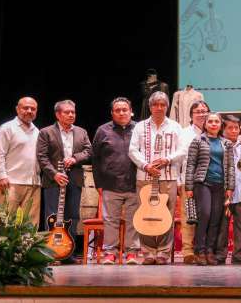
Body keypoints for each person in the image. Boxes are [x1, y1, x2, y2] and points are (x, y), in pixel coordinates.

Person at [128, 91, 185, 265]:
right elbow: (132, 150)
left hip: (168, 176)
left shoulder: (175, 126)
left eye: (162, 105)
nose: (159, 108)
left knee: (166, 215)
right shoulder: (140, 126)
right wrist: (146, 165)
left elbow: (182, 150)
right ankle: (147, 252)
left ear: (167, 107)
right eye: (155, 105)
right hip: (145, 176)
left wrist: (167, 159)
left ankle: (164, 252)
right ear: (150, 107)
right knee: (144, 213)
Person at [37, 99, 92, 262]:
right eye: (67, 112)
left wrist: (75, 158)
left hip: (74, 180)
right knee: (53, 217)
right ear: (58, 114)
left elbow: (89, 151)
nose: (70, 115)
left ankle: (69, 253)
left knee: (72, 217)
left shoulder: (81, 132)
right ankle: (51, 253)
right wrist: (54, 174)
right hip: (53, 181)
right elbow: (42, 157)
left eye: (73, 112)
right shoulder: (46, 132)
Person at [91, 97, 139, 265]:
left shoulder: (139, 129)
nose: (121, 113)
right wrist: (98, 184)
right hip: (110, 184)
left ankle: (131, 252)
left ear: (130, 111)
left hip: (135, 183)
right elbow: (95, 159)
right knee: (111, 220)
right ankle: (110, 252)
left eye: (124, 109)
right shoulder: (102, 131)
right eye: (117, 110)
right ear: (112, 113)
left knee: (134, 220)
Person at [185, 112, 235, 265]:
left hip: (220, 185)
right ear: (205, 124)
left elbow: (230, 167)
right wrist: (189, 186)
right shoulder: (198, 140)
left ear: (221, 125)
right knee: (205, 215)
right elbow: (191, 164)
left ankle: (209, 251)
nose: (213, 124)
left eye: (216, 122)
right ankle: (199, 250)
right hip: (203, 183)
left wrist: (230, 187)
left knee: (215, 218)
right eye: (210, 121)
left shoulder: (226, 143)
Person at [0, 97, 41, 227]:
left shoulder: (37, 131)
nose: (29, 111)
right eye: (26, 108)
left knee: (31, 224)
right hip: (11, 182)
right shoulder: (7, 128)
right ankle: (7, 248)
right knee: (8, 221)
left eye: (33, 108)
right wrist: (2, 176)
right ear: (17, 109)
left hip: (33, 183)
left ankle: (29, 248)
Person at [215, 115, 241, 265]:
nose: (233, 131)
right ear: (223, 129)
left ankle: (240, 255)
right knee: (222, 226)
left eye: (236, 128)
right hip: (223, 191)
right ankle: (220, 254)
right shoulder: (219, 144)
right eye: (230, 128)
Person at [177, 100, 210, 264]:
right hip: (188, 181)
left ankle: (202, 250)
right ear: (191, 115)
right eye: (197, 111)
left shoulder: (214, 131)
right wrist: (178, 180)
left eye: (204, 111)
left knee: (206, 217)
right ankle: (188, 251)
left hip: (209, 182)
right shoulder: (184, 133)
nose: (201, 114)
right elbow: (179, 158)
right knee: (188, 216)